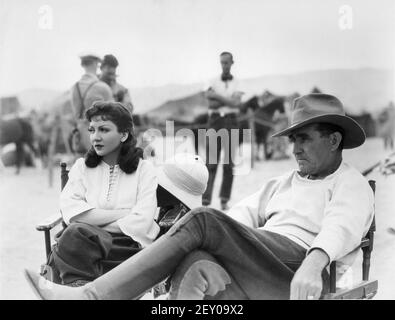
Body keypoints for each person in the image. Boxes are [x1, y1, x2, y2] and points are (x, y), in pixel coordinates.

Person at [25, 93, 374, 300]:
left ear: (334, 140)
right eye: (292, 140)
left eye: (304, 138)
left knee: (204, 219)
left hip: (299, 273)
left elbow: (342, 225)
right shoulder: (282, 183)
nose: (294, 148)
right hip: (262, 266)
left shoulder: (349, 183)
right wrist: (204, 243)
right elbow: (239, 219)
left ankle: (92, 296)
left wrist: (315, 264)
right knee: (197, 265)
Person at [49, 101, 157, 286]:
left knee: (74, 235)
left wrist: (91, 226)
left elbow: (142, 221)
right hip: (82, 247)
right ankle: (82, 290)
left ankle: (79, 291)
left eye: (104, 130)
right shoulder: (81, 167)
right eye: (92, 130)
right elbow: (72, 212)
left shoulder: (144, 170)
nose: (95, 137)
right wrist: (124, 213)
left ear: (123, 135)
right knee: (74, 234)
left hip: (125, 249)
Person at [202, 51, 244, 211]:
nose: (224, 65)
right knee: (211, 162)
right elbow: (211, 105)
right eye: (222, 62)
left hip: (232, 121)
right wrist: (229, 100)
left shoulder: (239, 82)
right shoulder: (211, 80)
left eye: (227, 62)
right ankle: (205, 200)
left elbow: (237, 104)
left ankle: (224, 200)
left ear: (232, 63)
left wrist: (217, 97)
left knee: (229, 163)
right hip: (215, 121)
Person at [70, 53, 114, 154]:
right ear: (96, 64)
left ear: (83, 65)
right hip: (99, 141)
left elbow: (76, 114)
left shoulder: (74, 88)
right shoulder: (103, 87)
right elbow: (114, 116)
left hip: (79, 139)